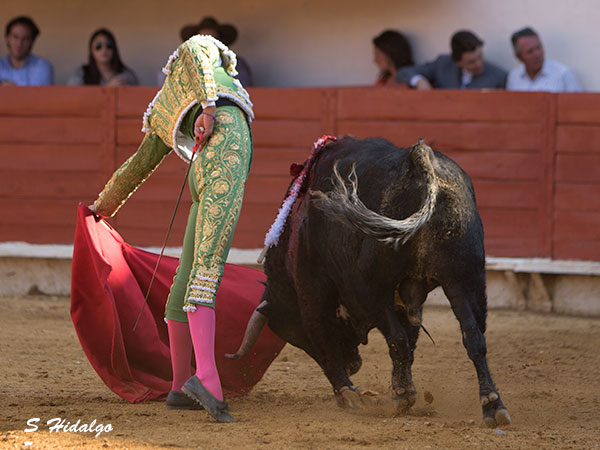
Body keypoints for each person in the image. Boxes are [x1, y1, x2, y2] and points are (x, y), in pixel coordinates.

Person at [90, 35, 254, 422]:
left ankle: (181, 386)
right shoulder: (203, 54)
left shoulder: (166, 107)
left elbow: (137, 166)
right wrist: (210, 108)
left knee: (187, 276)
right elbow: (196, 49)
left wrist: (101, 207)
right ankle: (207, 380)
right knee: (206, 270)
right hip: (225, 150)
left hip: (202, 167)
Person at [396, 30, 506, 90]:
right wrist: (419, 80)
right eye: (471, 62)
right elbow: (403, 72)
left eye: (480, 56)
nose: (479, 64)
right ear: (458, 62)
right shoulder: (442, 64)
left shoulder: (498, 76)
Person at [179, 17, 253, 86]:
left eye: (212, 40)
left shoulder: (235, 63)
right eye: (202, 40)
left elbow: (243, 87)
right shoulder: (185, 64)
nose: (206, 44)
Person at [506, 27, 581, 92]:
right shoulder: (514, 77)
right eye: (530, 51)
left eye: (538, 47)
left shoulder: (563, 74)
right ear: (519, 57)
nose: (537, 54)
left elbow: (577, 103)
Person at [68, 28, 138, 86]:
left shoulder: (126, 75)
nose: (104, 50)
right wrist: (106, 90)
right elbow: (71, 95)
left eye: (109, 46)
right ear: (91, 51)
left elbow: (137, 96)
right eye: (98, 46)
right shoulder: (82, 74)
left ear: (114, 49)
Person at [0, 16, 53, 86]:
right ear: (7, 38)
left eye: (25, 38)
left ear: (32, 41)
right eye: (15, 37)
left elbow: (37, 92)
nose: (19, 43)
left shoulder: (43, 67)